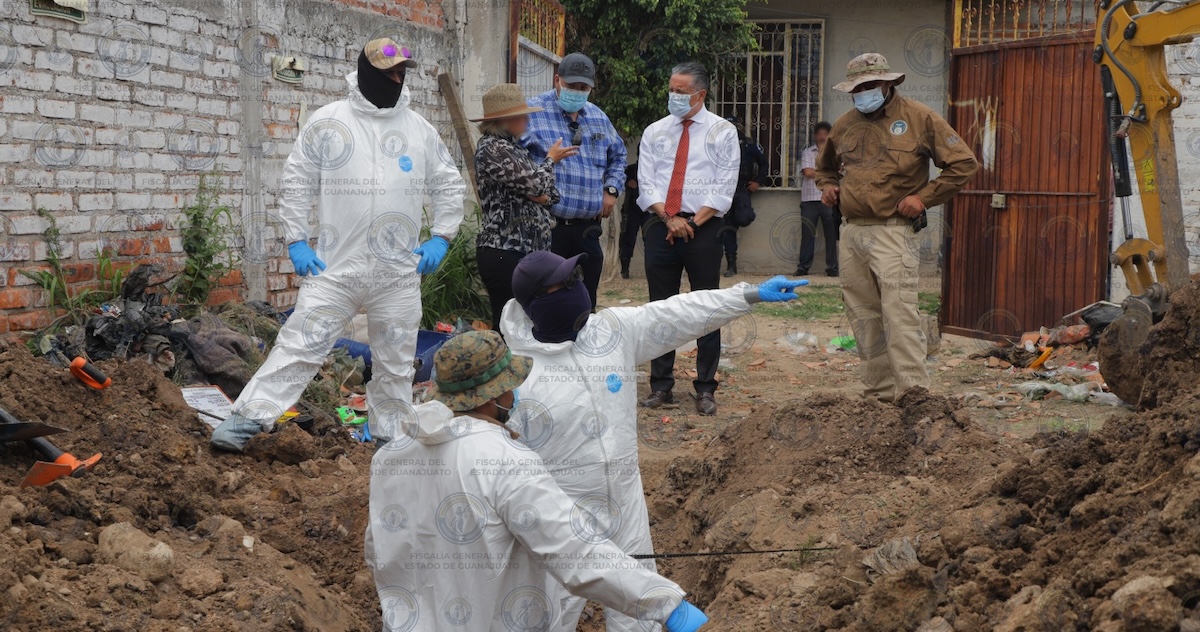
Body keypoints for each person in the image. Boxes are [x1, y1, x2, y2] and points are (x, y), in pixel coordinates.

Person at [500, 251, 806, 632]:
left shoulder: (610, 332)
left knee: (638, 616)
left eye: (575, 277)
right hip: (563, 520)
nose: (575, 288)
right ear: (535, 304)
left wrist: (747, 295)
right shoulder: (515, 376)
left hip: (626, 504)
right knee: (548, 617)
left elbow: (678, 313)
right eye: (561, 285)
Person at [210, 37, 466, 452]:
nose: (397, 80)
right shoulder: (329, 122)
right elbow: (296, 182)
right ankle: (246, 420)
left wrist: (441, 236)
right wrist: (296, 240)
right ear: (367, 73)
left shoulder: (419, 130)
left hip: (398, 271)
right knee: (300, 343)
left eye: (402, 73)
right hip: (334, 267)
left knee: (397, 360)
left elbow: (448, 185)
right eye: (389, 74)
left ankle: (389, 438)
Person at [365, 330, 710, 632]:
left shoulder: (392, 455)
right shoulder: (503, 460)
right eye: (508, 388)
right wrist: (664, 603)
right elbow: (575, 550)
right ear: (492, 396)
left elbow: (379, 549)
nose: (513, 396)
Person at [816, 53, 978, 402]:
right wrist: (827, 186)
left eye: (870, 85)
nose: (863, 93)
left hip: (894, 231)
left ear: (888, 83)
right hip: (852, 232)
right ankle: (878, 396)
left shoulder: (919, 118)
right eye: (856, 88)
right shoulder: (844, 124)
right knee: (863, 317)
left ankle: (914, 396)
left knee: (899, 315)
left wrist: (924, 198)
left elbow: (963, 163)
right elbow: (825, 168)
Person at [636, 61, 739, 416]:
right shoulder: (655, 132)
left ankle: (706, 388)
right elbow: (646, 181)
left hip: (704, 229)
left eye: (680, 92)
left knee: (706, 309)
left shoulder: (723, 132)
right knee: (659, 308)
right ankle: (661, 385)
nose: (673, 97)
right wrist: (669, 218)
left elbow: (723, 186)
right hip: (660, 227)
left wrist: (690, 222)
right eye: (671, 90)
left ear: (700, 94)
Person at [523, 52, 628, 309]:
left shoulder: (598, 117)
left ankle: (583, 346)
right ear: (557, 80)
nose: (577, 93)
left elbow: (619, 155)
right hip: (548, 227)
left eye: (584, 88)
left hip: (587, 229)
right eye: (571, 86)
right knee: (548, 299)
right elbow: (516, 159)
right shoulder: (532, 112)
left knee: (585, 299)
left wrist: (611, 190)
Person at [472, 83, 578, 330]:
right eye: (523, 115)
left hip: (525, 253)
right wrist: (550, 161)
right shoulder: (493, 148)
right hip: (505, 251)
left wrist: (539, 189)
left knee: (526, 323)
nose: (528, 120)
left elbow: (551, 196)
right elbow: (539, 188)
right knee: (510, 326)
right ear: (507, 120)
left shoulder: (514, 149)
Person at [720, 116, 769, 277]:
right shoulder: (718, 145)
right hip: (725, 189)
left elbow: (764, 164)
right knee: (728, 227)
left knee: (743, 218)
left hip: (742, 188)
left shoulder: (748, 145)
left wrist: (758, 181)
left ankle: (747, 212)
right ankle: (731, 266)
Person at [797, 121, 839, 277]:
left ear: (829, 136)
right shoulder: (808, 152)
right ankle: (803, 267)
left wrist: (827, 169)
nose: (822, 137)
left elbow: (839, 172)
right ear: (815, 136)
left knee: (831, 234)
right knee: (807, 234)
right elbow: (808, 172)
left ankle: (832, 268)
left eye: (825, 134)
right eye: (819, 134)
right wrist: (827, 171)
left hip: (829, 198)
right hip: (809, 200)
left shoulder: (834, 153)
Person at [618, 161, 646, 279]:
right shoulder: (630, 169)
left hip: (649, 209)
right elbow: (619, 180)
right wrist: (628, 182)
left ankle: (651, 269)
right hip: (632, 208)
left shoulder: (654, 169)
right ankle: (625, 270)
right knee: (627, 239)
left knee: (650, 240)